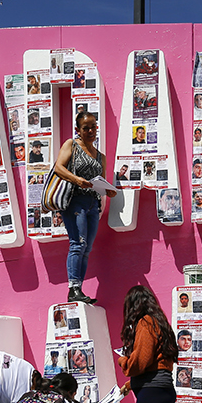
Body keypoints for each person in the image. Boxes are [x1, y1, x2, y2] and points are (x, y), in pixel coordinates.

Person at [55, 111, 115, 305]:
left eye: (93, 127)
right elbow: (58, 167)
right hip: (75, 201)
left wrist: (109, 191)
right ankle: (72, 288)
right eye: (86, 128)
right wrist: (76, 179)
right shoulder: (71, 145)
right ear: (78, 130)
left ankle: (78, 289)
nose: (90, 131)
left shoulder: (101, 156)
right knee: (77, 244)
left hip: (92, 205)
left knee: (87, 248)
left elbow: (102, 181)